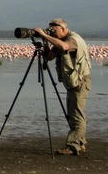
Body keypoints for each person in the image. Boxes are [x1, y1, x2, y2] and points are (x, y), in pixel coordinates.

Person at [34, 18, 92, 156]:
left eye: (54, 30)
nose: (52, 33)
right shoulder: (59, 41)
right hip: (73, 82)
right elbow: (49, 57)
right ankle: (80, 143)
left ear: (64, 29)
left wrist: (44, 34)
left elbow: (65, 47)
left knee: (76, 115)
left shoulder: (72, 39)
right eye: (50, 30)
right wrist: (46, 42)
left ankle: (73, 146)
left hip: (79, 83)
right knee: (73, 114)